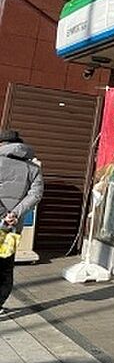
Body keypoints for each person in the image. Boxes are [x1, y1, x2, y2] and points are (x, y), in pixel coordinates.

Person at [0, 130, 44, 314]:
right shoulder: (33, 168)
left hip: (4, 219)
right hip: (11, 227)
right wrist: (13, 214)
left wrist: (3, 213)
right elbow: (36, 195)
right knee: (5, 265)